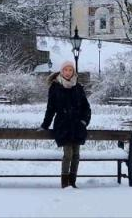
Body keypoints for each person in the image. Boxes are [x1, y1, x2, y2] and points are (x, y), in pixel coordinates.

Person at [40, 61, 91, 189]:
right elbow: (50, 108)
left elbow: (86, 107)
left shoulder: (78, 87)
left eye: (70, 70)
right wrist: (45, 125)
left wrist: (84, 121)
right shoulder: (55, 87)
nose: (68, 72)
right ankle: (64, 183)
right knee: (68, 154)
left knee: (76, 155)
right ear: (61, 71)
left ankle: (72, 182)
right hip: (63, 125)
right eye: (66, 70)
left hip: (77, 126)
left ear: (73, 72)